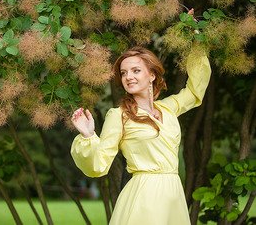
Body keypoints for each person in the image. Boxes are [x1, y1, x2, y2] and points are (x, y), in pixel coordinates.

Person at [71, 43, 211, 225]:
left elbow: (194, 91)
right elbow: (98, 165)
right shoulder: (119, 115)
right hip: (144, 197)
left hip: (173, 195)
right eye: (123, 73)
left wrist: (196, 45)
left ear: (151, 75)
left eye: (135, 70)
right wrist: (89, 136)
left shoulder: (168, 108)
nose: (128, 77)